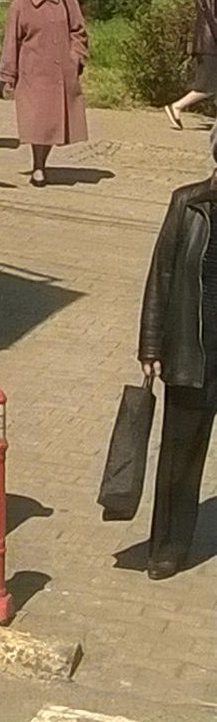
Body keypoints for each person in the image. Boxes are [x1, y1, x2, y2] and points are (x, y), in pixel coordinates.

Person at [137, 121, 217, 578]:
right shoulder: (187, 204)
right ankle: (167, 547)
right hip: (193, 352)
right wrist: (151, 344)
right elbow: (161, 276)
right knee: (179, 457)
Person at [0, 0, 88, 186]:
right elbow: (11, 42)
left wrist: (76, 56)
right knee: (38, 123)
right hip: (33, 74)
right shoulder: (20, 5)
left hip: (61, 73)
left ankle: (42, 164)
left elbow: (78, 31)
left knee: (52, 123)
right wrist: (8, 76)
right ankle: (38, 166)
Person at [164, 0, 217, 130]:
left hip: (209, 43)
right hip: (209, 44)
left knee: (210, 84)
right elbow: (213, 17)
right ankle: (176, 106)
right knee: (207, 85)